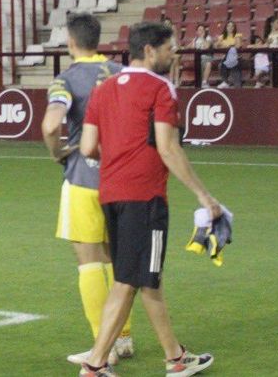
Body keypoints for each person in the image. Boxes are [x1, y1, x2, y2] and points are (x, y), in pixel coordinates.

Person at [77, 21, 221, 377]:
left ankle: (176, 357)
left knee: (145, 278)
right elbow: (169, 148)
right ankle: (94, 365)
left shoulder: (104, 89)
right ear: (149, 50)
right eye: (170, 49)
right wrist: (205, 196)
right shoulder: (162, 88)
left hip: (110, 194)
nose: (174, 55)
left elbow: (87, 147)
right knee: (130, 279)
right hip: (145, 196)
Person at [39, 14, 133, 366]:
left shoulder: (66, 79)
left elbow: (51, 125)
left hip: (83, 178)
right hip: (122, 178)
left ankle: (101, 348)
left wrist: (57, 152)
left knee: (89, 261)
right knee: (118, 259)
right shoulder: (122, 74)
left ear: (70, 42)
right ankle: (123, 337)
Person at [216, 21, 244, 88]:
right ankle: (225, 82)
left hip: (236, 57)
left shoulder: (237, 35)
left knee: (233, 63)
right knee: (222, 63)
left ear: (234, 28)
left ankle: (236, 85)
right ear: (226, 27)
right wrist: (230, 45)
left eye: (232, 26)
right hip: (225, 57)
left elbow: (238, 45)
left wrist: (225, 46)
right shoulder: (222, 37)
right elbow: (217, 45)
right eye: (229, 26)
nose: (230, 27)